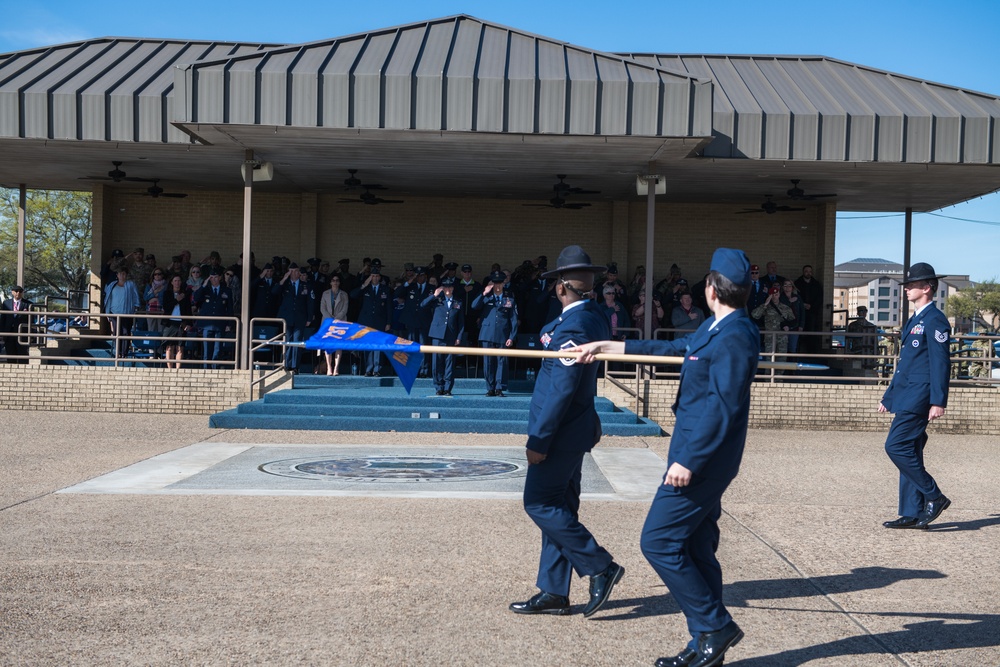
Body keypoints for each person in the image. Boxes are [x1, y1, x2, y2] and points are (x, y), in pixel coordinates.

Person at [574, 247, 759, 667]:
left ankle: (715, 626)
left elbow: (723, 406)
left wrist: (689, 461)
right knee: (696, 547)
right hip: (699, 454)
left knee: (658, 541)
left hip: (702, 460)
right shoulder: (720, 327)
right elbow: (678, 349)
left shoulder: (736, 335)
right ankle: (706, 643)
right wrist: (612, 347)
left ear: (711, 289)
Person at [508, 245, 624, 620]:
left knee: (539, 503)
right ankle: (554, 590)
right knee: (559, 508)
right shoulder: (591, 316)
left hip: (558, 432)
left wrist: (539, 440)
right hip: (574, 429)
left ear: (560, 288)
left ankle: (600, 566)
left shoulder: (574, 325)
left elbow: (561, 387)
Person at [879, 262, 952, 530]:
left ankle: (934, 496)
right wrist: (888, 396)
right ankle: (912, 511)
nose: (906, 289)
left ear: (927, 288)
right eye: (906, 285)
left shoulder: (935, 320)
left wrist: (938, 401)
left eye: (911, 285)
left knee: (895, 446)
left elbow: (940, 363)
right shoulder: (915, 319)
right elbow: (906, 364)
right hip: (908, 394)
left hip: (920, 397)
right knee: (910, 450)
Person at [472, 270, 518, 396]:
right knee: (488, 361)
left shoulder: (509, 298)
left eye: (500, 283)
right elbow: (474, 306)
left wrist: (512, 336)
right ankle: (490, 387)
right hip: (487, 334)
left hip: (503, 334)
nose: (497, 286)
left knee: (502, 361)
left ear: (503, 284)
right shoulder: (486, 296)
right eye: (495, 283)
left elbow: (513, 319)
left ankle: (499, 387)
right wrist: (484, 293)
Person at [421, 277, 465, 396]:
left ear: (453, 288)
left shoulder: (458, 302)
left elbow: (461, 323)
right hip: (437, 335)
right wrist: (434, 295)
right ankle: (438, 386)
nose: (448, 289)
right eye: (445, 287)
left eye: (450, 287)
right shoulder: (437, 300)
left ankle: (447, 387)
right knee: (437, 362)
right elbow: (423, 305)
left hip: (451, 335)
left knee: (449, 362)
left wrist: (459, 337)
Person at [351, 266, 393, 376]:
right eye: (372, 276)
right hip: (366, 321)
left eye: (376, 276)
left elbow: (389, 307)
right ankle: (368, 369)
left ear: (379, 277)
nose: (374, 278)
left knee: (378, 346)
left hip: (380, 321)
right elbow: (353, 295)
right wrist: (364, 284)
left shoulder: (385, 289)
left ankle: (377, 369)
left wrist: (388, 322)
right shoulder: (366, 288)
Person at [273, 262, 314, 374]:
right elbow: (274, 292)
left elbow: (310, 302)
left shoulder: (305, 285)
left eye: (296, 271)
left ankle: (295, 366)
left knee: (297, 342)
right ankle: (286, 364)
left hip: (300, 318)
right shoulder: (285, 284)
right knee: (287, 341)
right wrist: (283, 279)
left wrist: (309, 318)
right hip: (287, 318)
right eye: (292, 271)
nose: (294, 273)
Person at [194, 267, 234, 369]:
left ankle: (215, 369)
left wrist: (229, 324)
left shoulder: (226, 290)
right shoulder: (205, 290)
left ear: (220, 278)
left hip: (220, 324)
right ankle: (206, 370)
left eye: (216, 277)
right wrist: (203, 285)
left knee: (218, 350)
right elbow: (196, 298)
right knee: (207, 350)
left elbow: (230, 308)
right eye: (212, 278)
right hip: (207, 324)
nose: (214, 279)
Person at [103, 268, 141, 359]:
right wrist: (107, 313)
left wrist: (135, 308)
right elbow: (108, 299)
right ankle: (118, 352)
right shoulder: (112, 285)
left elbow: (136, 298)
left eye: (124, 274)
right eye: (120, 274)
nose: (122, 275)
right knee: (117, 333)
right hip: (115, 313)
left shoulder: (131, 284)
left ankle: (124, 353)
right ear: (117, 275)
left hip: (127, 313)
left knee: (126, 333)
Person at [751, 285, 796, 356]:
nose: (775, 297)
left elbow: (793, 321)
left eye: (776, 294)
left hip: (782, 338)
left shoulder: (785, 308)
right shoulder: (765, 307)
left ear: (779, 295)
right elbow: (755, 315)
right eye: (772, 295)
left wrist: (788, 326)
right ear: (769, 295)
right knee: (769, 361)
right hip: (770, 338)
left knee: (782, 361)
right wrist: (765, 304)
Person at [160, 275, 193, 369]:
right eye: (175, 281)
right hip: (170, 323)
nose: (177, 283)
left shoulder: (185, 295)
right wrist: (176, 300)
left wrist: (189, 323)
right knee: (169, 347)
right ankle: (170, 369)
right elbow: (166, 308)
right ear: (172, 282)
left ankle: (178, 369)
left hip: (181, 323)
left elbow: (188, 310)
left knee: (180, 347)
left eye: (179, 281)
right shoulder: (167, 293)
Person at [319, 274, 349, 375]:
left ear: (339, 282)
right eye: (333, 280)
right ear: (330, 282)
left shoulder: (344, 294)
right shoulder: (325, 293)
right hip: (328, 322)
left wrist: (336, 319)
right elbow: (322, 308)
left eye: (337, 280)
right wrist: (330, 319)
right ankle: (329, 367)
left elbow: (345, 309)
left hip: (340, 322)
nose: (335, 282)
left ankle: (336, 367)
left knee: (338, 345)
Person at [794, 264, 823, 354]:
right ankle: (797, 354)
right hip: (799, 313)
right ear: (803, 272)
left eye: (810, 271)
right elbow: (794, 296)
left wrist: (812, 306)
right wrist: (802, 304)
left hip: (812, 313)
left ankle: (811, 354)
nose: (808, 273)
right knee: (799, 333)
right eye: (806, 271)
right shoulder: (797, 283)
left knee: (811, 333)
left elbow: (820, 298)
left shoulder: (816, 284)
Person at [1, 286, 34, 362]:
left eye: (20, 291)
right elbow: (3, 319)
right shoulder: (6, 303)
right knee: (10, 354)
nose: (18, 293)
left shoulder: (28, 304)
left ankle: (23, 371)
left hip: (22, 333)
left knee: (22, 354)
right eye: (16, 291)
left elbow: (31, 320)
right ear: (12, 292)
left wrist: (31, 333)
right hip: (9, 332)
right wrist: (2, 332)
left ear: (22, 293)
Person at [779, 279, 805, 354]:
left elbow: (802, 312)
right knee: (783, 347)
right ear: (782, 287)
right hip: (784, 326)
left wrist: (801, 325)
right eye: (785, 285)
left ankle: (792, 364)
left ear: (792, 287)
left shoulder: (798, 298)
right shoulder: (780, 298)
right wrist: (789, 301)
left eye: (789, 285)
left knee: (793, 347)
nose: (787, 287)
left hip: (796, 326)